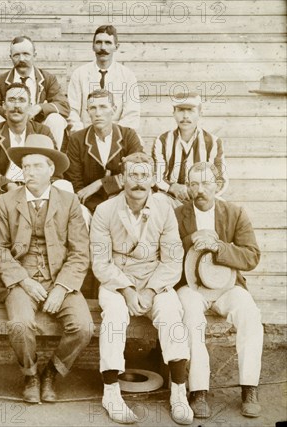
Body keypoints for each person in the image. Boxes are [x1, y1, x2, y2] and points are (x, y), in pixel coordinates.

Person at [90, 152, 193, 425]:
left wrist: (150, 291)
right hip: (117, 280)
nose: (138, 182)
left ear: (153, 179)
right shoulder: (105, 210)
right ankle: (111, 393)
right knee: (113, 317)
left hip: (153, 279)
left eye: (144, 175)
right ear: (122, 178)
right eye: (133, 175)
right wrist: (126, 290)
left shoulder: (164, 208)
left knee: (171, 312)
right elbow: (100, 262)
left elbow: (173, 259)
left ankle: (179, 393)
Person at [0, 134, 93, 404]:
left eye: (37, 166)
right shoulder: (7, 201)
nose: (30, 172)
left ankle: (52, 372)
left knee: (83, 327)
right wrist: (24, 281)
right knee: (20, 325)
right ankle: (31, 375)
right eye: (26, 166)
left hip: (59, 278)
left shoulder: (69, 202)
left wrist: (61, 287)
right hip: (21, 280)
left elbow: (80, 252)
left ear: (51, 170)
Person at [175, 162, 262, 419]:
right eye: (193, 184)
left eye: (205, 183)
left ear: (218, 185)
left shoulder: (234, 213)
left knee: (250, 313)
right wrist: (191, 240)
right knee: (190, 316)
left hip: (227, 286)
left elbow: (251, 256)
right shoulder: (178, 214)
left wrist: (219, 248)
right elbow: (166, 253)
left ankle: (249, 387)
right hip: (191, 286)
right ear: (188, 187)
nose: (199, 189)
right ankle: (198, 390)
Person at [0, 83, 74, 228]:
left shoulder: (42, 131)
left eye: (22, 100)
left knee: (64, 185)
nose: (16, 106)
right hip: (5, 191)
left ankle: (58, 235)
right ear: (3, 105)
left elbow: (54, 168)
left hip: (38, 189)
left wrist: (36, 188)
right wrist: (8, 185)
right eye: (12, 100)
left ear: (30, 106)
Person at [65, 89, 143, 223]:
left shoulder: (128, 136)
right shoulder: (77, 140)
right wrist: (97, 209)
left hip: (123, 200)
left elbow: (138, 173)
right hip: (89, 204)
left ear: (113, 109)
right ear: (87, 111)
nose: (98, 113)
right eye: (93, 108)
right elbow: (76, 183)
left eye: (103, 107)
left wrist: (102, 183)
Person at [0, 35, 69, 149]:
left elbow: (64, 106)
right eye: (16, 55)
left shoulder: (48, 78)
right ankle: (2, 158)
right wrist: (16, 113)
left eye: (26, 54)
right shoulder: (0, 81)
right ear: (10, 57)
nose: (21, 59)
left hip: (39, 125)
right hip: (11, 124)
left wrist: (39, 108)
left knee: (56, 119)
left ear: (34, 55)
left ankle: (50, 160)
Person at [152, 92, 228, 207]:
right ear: (174, 113)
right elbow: (157, 177)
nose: (185, 116)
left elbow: (221, 180)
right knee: (156, 199)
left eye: (191, 110)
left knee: (221, 204)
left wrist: (200, 191)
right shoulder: (162, 141)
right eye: (181, 110)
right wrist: (172, 187)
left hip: (202, 196)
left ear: (200, 114)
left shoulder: (213, 142)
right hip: (173, 197)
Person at [67, 25, 140, 131]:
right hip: (85, 135)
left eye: (108, 43)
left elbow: (131, 115)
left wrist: (115, 136)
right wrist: (81, 135)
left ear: (116, 47)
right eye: (98, 42)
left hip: (118, 136)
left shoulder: (127, 76)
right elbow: (72, 111)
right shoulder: (79, 74)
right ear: (93, 46)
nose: (103, 48)